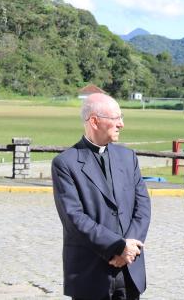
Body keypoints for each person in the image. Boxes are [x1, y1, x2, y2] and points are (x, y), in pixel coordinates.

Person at [52, 93, 151, 300]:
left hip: (130, 271)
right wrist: (118, 247)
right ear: (95, 121)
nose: (121, 124)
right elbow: (74, 218)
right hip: (90, 273)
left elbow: (142, 207)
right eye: (116, 118)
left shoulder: (128, 157)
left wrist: (129, 249)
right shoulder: (65, 163)